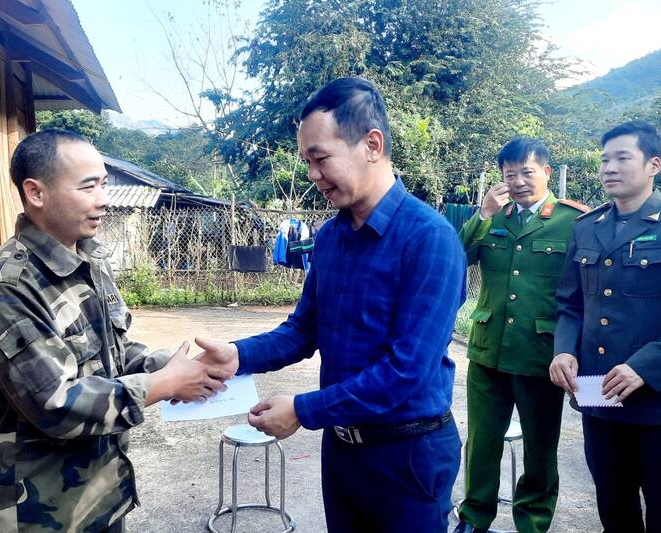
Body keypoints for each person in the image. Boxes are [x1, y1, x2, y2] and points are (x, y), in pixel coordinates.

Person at [195, 77, 467, 532]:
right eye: (307, 161)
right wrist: (239, 355)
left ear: (372, 144)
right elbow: (304, 329)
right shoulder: (331, 237)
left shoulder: (429, 239)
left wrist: (304, 410)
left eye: (320, 158)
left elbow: (406, 371)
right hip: (343, 452)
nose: (313, 175)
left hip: (407, 456)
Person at [0, 129, 228, 532]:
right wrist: (165, 384)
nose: (103, 199)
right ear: (36, 193)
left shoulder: (88, 258)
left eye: (104, 184)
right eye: (88, 187)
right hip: (36, 513)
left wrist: (177, 367)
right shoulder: (6, 289)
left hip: (98, 497)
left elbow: (111, 353)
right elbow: (58, 405)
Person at [549, 120, 661, 533]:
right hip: (601, 399)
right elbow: (570, 304)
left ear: (654, 164)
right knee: (615, 510)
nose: (609, 167)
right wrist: (563, 349)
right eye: (604, 159)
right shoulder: (586, 226)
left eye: (622, 158)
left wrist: (644, 367)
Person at [454, 137, 588, 533]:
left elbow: (583, 293)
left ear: (546, 172)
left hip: (541, 356)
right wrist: (483, 215)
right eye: (510, 174)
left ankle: (532, 523)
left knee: (540, 448)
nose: (518, 181)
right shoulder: (493, 215)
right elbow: (452, 259)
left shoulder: (573, 221)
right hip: (487, 352)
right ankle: (474, 519)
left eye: (527, 172)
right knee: (480, 445)